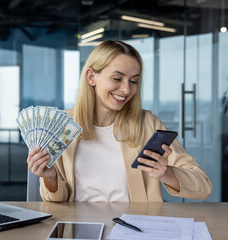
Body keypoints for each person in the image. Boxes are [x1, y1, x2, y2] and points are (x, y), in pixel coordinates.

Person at [26, 40, 212, 202]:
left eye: (133, 81)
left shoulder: (148, 124)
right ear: (91, 77)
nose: (126, 89)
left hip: (133, 229)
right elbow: (56, 202)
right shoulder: (62, 126)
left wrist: (167, 173)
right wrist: (50, 178)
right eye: (117, 78)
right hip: (80, 229)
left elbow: (203, 185)